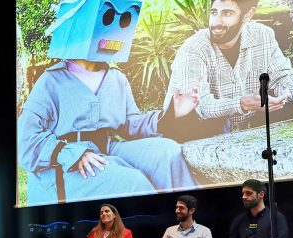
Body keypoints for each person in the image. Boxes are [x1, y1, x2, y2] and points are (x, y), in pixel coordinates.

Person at [18, 0, 199, 206]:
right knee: (132, 183)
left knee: (168, 153)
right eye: (107, 18)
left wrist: (173, 113)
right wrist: (73, 154)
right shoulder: (51, 81)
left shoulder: (116, 78)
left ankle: (194, 220)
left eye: (124, 20)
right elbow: (26, 141)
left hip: (107, 149)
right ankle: (156, 228)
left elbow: (131, 125)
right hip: (66, 165)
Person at [162, 0, 293, 136]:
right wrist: (242, 104)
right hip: (198, 131)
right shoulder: (193, 49)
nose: (216, 22)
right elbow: (200, 106)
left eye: (227, 13)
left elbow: (281, 75)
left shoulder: (263, 35)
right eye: (214, 12)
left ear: (248, 14)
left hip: (251, 127)